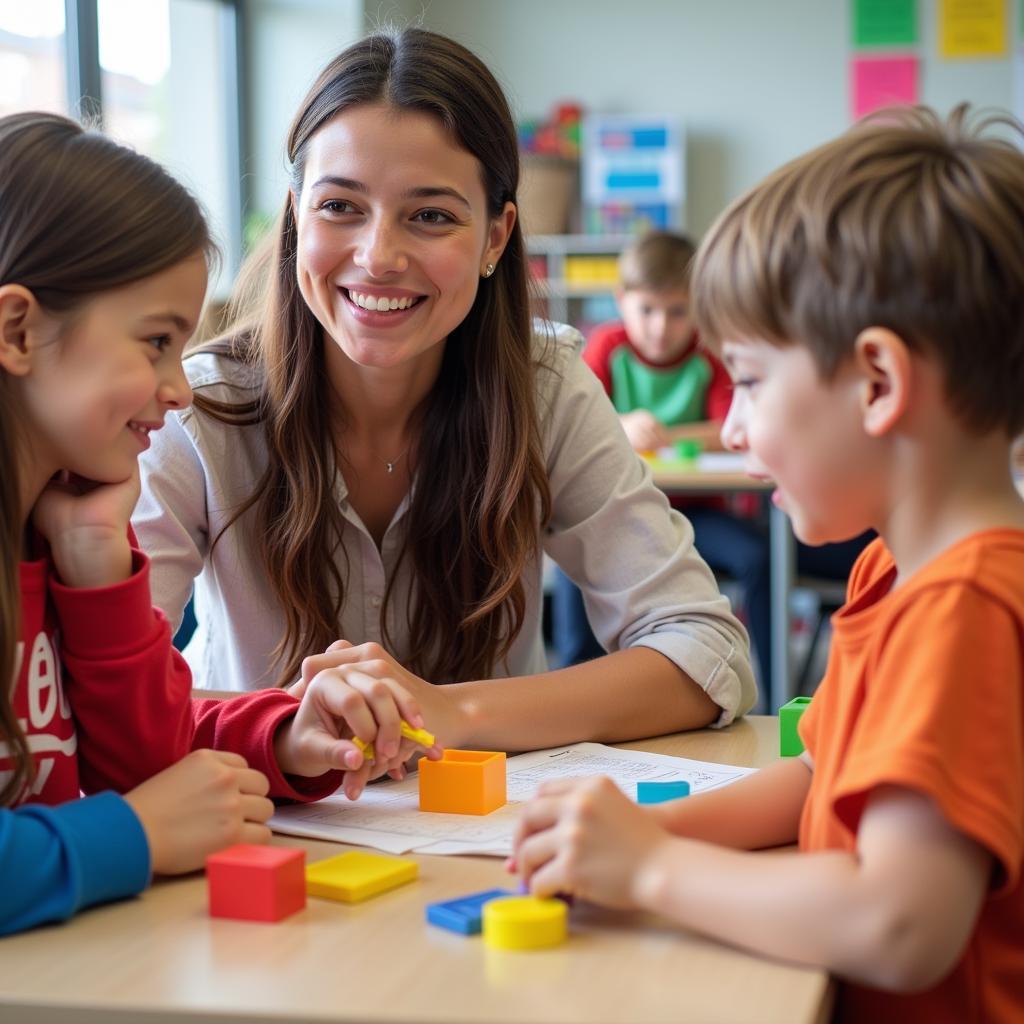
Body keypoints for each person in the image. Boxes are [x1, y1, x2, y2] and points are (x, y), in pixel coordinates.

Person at [511, 104, 1024, 1023]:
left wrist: (657, 869)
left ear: (877, 384)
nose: (734, 425)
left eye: (747, 378)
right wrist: (641, 832)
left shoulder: (966, 607)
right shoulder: (897, 575)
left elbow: (901, 925)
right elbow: (818, 776)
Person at [133, 27, 757, 750]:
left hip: (491, 839)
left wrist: (452, 713)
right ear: (296, 216)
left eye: (431, 215)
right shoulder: (199, 410)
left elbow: (706, 650)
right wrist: (279, 728)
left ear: (496, 238)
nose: (379, 256)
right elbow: (108, 693)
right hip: (251, 826)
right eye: (340, 206)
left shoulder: (544, 390)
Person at [0, 112, 439, 937]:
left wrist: (284, 734)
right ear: (18, 330)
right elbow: (141, 808)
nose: (180, 389)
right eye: (157, 343)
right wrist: (126, 836)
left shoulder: (75, 524)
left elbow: (145, 761)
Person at [551, 230, 772, 686]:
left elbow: (727, 429)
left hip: (696, 515)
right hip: (617, 515)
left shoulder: (708, 353)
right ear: (622, 301)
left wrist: (663, 434)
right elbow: (575, 420)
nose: (660, 327)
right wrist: (622, 425)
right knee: (575, 553)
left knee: (760, 558)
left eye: (677, 312)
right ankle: (575, 673)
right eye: (647, 310)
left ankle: (769, 687)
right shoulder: (607, 347)